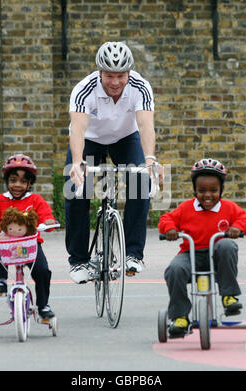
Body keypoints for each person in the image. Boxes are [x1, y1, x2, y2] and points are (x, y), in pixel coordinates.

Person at [65, 41, 161, 284]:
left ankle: (133, 254)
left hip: (125, 138)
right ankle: (78, 260)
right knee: (76, 190)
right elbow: (77, 129)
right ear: (100, 72)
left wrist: (150, 159)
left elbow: (146, 125)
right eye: (109, 76)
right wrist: (77, 163)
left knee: (141, 183)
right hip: (90, 140)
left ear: (129, 72)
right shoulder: (84, 89)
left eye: (121, 76)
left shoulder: (140, 87)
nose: (115, 82)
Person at [158, 158, 246, 338]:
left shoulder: (228, 208)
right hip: (191, 254)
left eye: (213, 190)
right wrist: (170, 229)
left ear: (222, 190)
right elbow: (166, 219)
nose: (207, 195)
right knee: (174, 269)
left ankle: (229, 297)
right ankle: (180, 317)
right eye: (202, 191)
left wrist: (237, 228)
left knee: (226, 244)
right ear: (194, 190)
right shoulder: (186, 208)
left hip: (217, 258)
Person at [0, 154, 56, 319]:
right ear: (7, 181)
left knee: (42, 271)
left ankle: (43, 305)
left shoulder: (35, 200)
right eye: (13, 180)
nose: (17, 185)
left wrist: (48, 222)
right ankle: (1, 281)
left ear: (29, 184)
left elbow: (45, 216)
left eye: (23, 181)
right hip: (6, 246)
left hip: (30, 245)